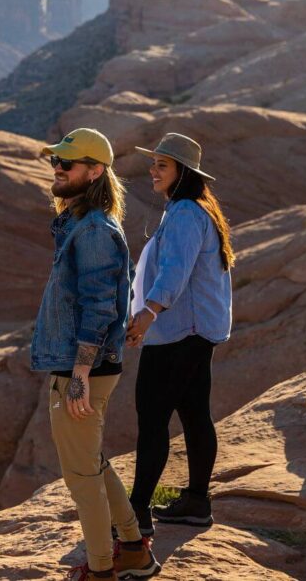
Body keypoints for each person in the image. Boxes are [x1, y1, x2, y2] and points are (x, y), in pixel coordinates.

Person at [30, 128, 162, 581]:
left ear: (95, 171)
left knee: (81, 477)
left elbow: (101, 304)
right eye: (55, 162)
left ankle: (103, 570)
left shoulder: (94, 231)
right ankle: (133, 549)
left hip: (82, 368)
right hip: (80, 364)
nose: (58, 169)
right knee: (92, 465)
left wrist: (81, 372)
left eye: (67, 163)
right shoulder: (82, 225)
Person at [125, 132, 234, 533]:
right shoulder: (192, 208)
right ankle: (196, 503)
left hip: (178, 332)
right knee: (193, 414)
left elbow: (175, 269)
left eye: (162, 165)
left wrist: (149, 312)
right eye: (154, 163)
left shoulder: (187, 212)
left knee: (152, 418)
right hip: (195, 331)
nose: (153, 170)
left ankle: (136, 514)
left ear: (182, 172)